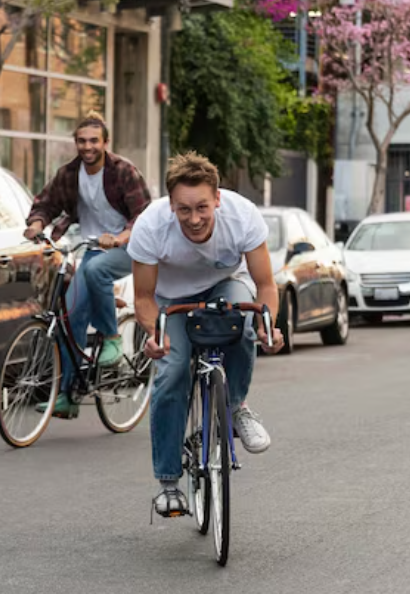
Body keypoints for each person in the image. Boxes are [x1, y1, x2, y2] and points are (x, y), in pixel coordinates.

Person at [127, 151, 284, 516]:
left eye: (202, 207)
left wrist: (267, 327)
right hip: (171, 300)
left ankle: (237, 406)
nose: (194, 219)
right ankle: (168, 483)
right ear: (171, 204)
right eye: (184, 209)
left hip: (224, 285)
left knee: (243, 322)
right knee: (172, 371)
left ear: (217, 199)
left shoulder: (242, 217)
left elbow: (265, 286)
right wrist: (155, 335)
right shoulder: (150, 227)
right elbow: (144, 298)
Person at [24, 111, 151, 419]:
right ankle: (68, 394)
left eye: (94, 140)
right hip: (93, 248)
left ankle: (112, 338)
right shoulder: (69, 174)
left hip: (132, 246)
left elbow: (143, 215)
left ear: (106, 142)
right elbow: (46, 203)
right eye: (82, 141)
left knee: (96, 270)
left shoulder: (123, 171)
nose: (87, 146)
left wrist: (119, 237)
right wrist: (37, 223)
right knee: (70, 315)